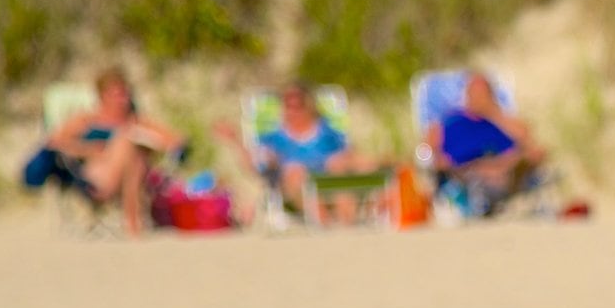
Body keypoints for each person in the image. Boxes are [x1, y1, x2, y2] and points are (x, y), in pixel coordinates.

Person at [27, 66, 184, 236]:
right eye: (115, 94)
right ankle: (133, 223)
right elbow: (53, 142)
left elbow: (176, 141)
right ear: (101, 96)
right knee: (127, 142)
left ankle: (133, 222)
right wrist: (89, 150)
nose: (121, 100)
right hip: (96, 179)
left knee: (131, 148)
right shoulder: (88, 121)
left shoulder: (136, 121)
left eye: (124, 94)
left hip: (135, 177)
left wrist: (151, 142)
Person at [215, 82, 383, 226]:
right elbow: (256, 164)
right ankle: (327, 224)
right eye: (288, 105)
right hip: (299, 185)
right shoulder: (275, 138)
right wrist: (236, 141)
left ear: (308, 106)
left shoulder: (326, 131)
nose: (293, 110)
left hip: (330, 180)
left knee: (342, 168)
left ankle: (348, 221)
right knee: (296, 174)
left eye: (298, 105)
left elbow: (347, 153)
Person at [425, 72, 547, 218]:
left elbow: (530, 144)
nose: (478, 98)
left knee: (523, 160)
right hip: (467, 173)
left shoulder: (502, 120)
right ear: (466, 95)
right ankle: (482, 203)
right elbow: (429, 153)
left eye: (482, 93)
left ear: (492, 96)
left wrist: (492, 113)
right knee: (480, 177)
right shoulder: (450, 122)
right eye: (473, 93)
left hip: (506, 169)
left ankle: (498, 201)